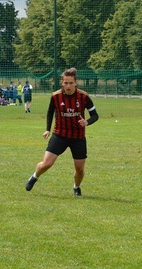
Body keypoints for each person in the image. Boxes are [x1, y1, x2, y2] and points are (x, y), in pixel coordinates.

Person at [25, 67, 99, 196]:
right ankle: (35, 176)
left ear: (76, 83)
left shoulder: (84, 96)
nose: (68, 86)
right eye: (66, 83)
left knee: (80, 169)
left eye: (71, 83)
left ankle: (76, 186)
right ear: (62, 83)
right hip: (60, 134)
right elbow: (50, 112)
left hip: (78, 136)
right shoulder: (56, 96)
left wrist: (87, 122)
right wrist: (47, 129)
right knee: (47, 164)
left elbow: (95, 115)